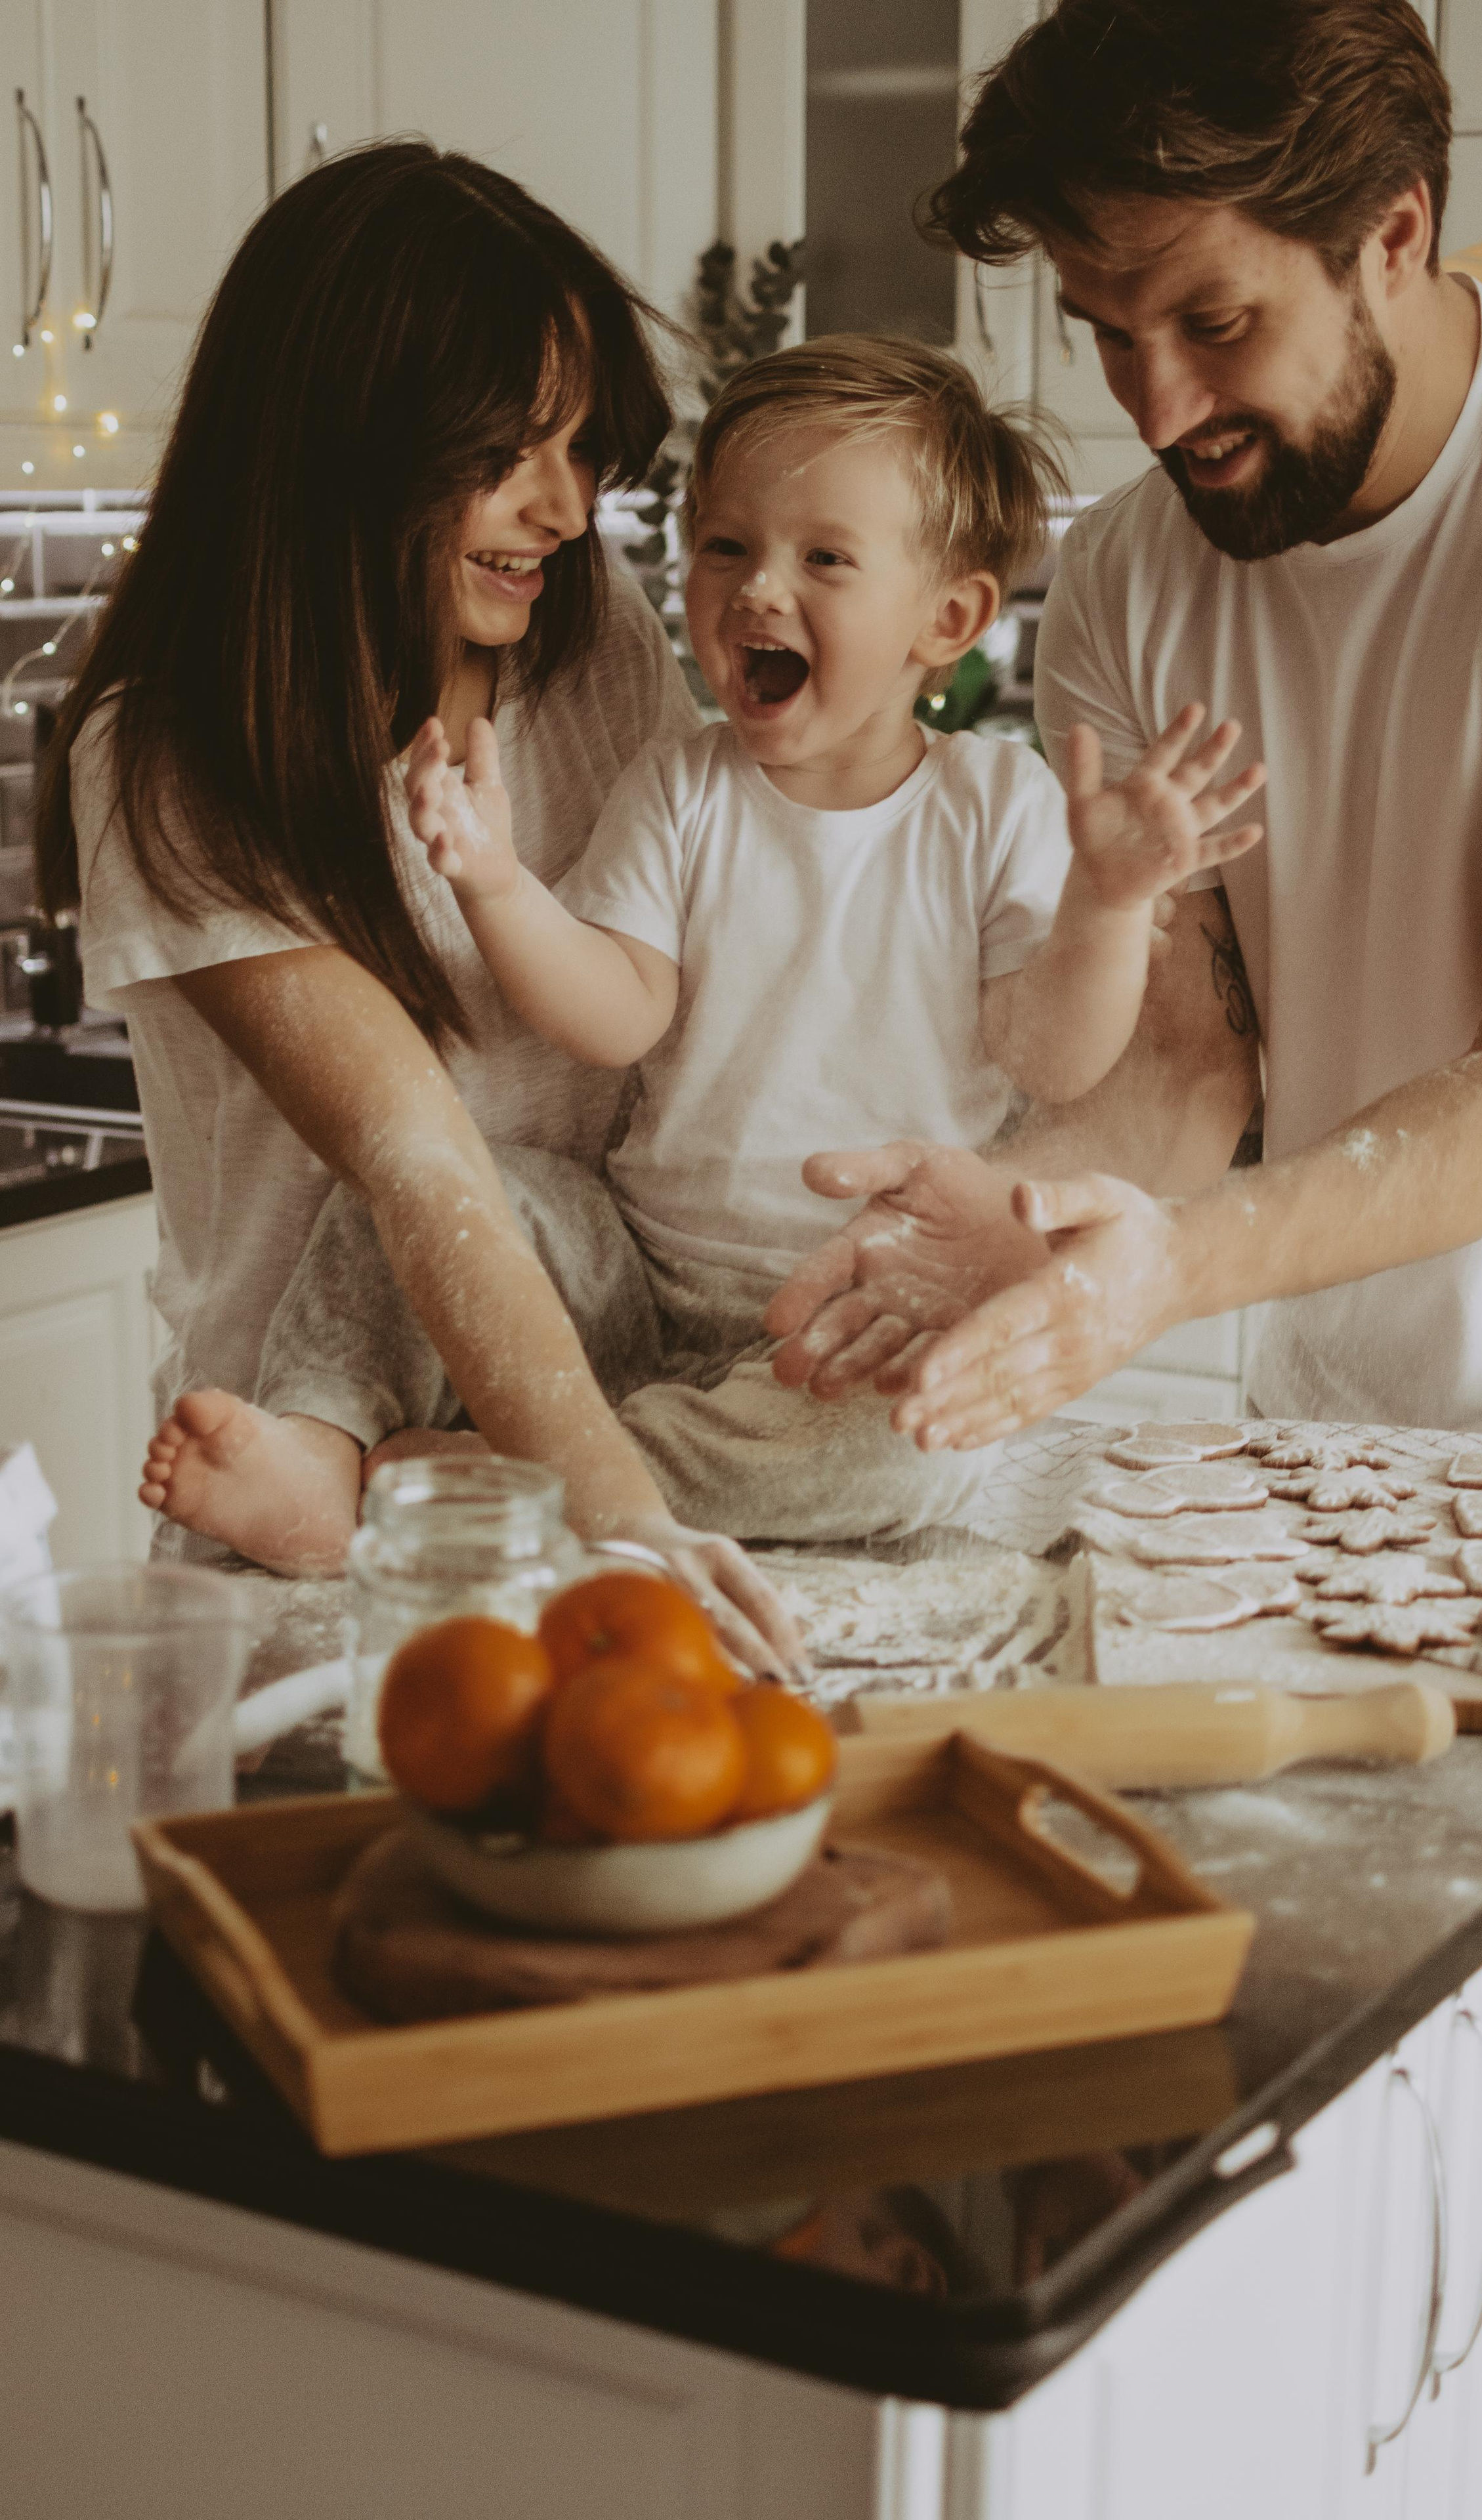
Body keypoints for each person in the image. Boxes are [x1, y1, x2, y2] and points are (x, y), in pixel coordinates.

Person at [141, 335, 1264, 1572]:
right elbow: (615, 1012)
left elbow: (1049, 1055)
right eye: (726, 547)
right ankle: (319, 1440)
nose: (758, 590)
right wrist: (496, 884)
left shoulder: (994, 803)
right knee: (442, 1186)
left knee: (910, 1446)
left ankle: (517, 1481)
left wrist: (1108, 907)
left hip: (849, 1303)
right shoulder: (683, 785)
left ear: (949, 617)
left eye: (823, 559)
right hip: (630, 1265)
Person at [767, 0, 1482, 1467]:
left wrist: (1177, 1265)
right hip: (1323, 1435)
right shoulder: (1132, 573)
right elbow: (1192, 1066)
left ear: (1391, 235)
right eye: (1106, 333)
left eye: (1214, 321)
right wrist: (1023, 1211)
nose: (1157, 408)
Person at [37, 140, 798, 1674]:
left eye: (587, 453)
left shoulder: (587, 661)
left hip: (586, 1433)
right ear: (350, 441)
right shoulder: (176, 751)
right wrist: (624, 1514)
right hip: (319, 1528)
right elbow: (414, 1153)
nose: (568, 511)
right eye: (516, 452)